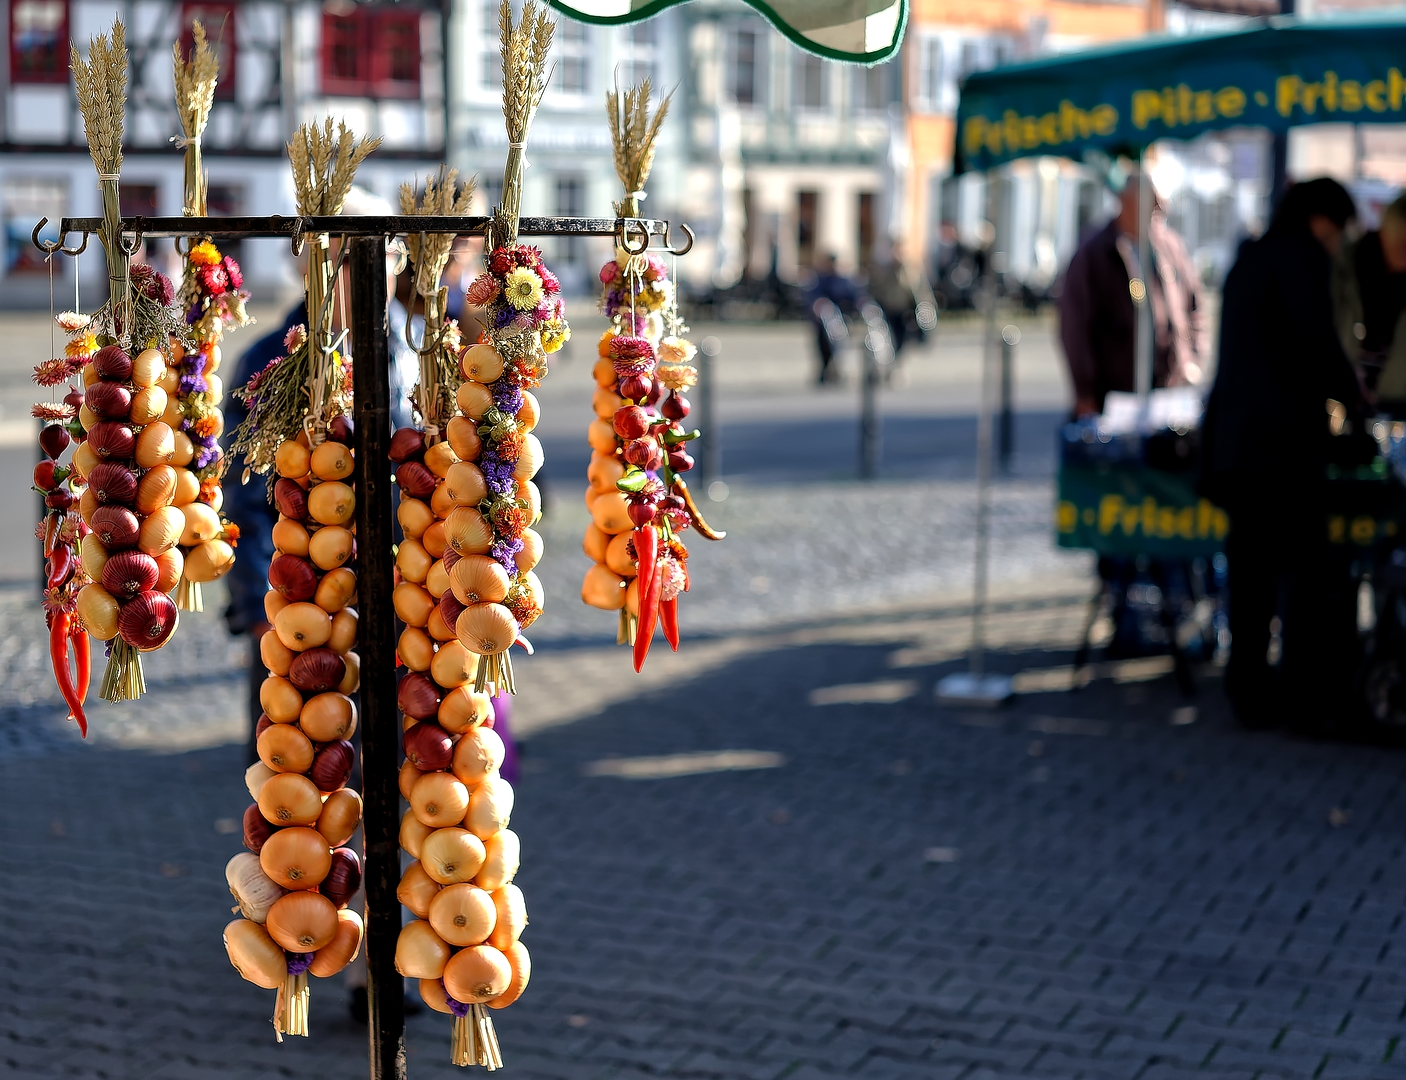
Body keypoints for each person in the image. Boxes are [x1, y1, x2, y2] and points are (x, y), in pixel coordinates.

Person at [1202, 177, 1368, 732]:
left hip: (1238, 447)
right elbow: (1317, 345)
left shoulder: (1249, 257)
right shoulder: (1300, 260)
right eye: (1338, 230)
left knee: (1249, 580)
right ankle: (1298, 692)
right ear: (1323, 220)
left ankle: (1247, 689)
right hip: (1281, 451)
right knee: (1299, 577)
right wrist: (1356, 406)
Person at [1058, 173, 1208, 416]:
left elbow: (1194, 307)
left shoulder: (1170, 246)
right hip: (1115, 394)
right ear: (1127, 201)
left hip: (1170, 389)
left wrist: (1193, 358)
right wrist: (1085, 391)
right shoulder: (1095, 253)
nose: (1157, 211)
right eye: (1151, 203)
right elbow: (1075, 326)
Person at [1333, 193, 1406, 408]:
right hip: (1338, 401)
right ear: (1384, 233)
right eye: (1401, 244)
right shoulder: (1345, 267)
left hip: (1394, 405)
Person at [806, 252, 859, 384]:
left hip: (841, 321)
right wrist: (817, 305)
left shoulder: (843, 281)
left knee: (840, 347)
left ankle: (837, 371)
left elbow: (853, 298)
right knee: (822, 348)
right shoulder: (819, 280)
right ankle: (824, 371)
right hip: (822, 322)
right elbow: (813, 298)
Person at [866, 242, 921, 362]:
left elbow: (916, 291)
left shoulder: (909, 270)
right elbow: (878, 290)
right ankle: (890, 361)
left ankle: (898, 360)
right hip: (889, 309)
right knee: (889, 338)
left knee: (902, 338)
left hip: (904, 310)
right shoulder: (885, 270)